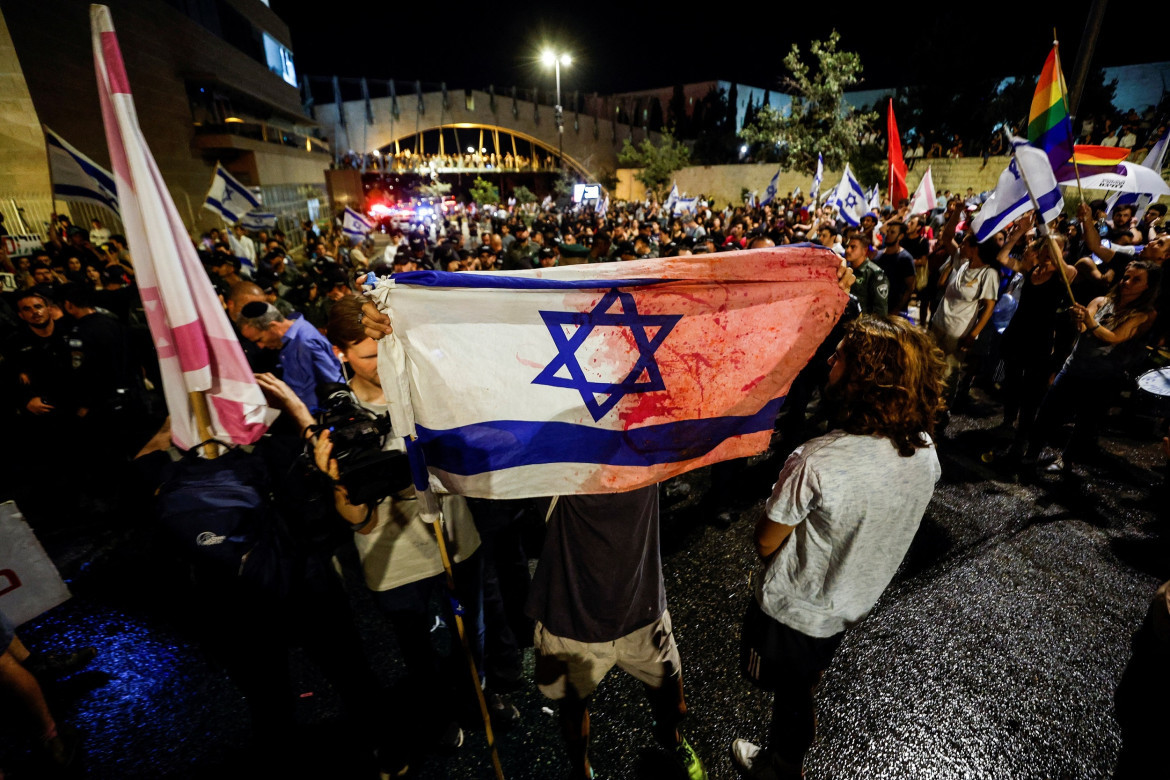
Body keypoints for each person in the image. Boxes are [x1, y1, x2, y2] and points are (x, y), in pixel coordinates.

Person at [731, 315, 945, 780]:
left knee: (788, 694)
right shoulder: (925, 450)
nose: (830, 360)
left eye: (842, 354)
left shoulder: (816, 460)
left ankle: (782, 767)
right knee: (801, 687)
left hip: (793, 613)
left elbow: (767, 541)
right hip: (850, 603)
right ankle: (786, 756)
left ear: (866, 378)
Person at [1026, 261, 1161, 472]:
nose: (1127, 282)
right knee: (1047, 414)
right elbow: (1082, 328)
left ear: (1147, 287)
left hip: (1103, 378)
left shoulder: (1143, 314)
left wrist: (1090, 322)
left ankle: (1066, 460)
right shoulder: (1101, 301)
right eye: (1126, 276)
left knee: (1085, 423)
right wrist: (1078, 318)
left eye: (1136, 280)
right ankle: (1030, 454)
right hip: (1073, 369)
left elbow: (1115, 337)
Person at [236, 301, 344, 409]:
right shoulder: (288, 341)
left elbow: (335, 383)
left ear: (273, 326)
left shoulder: (305, 341)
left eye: (260, 339)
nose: (260, 346)